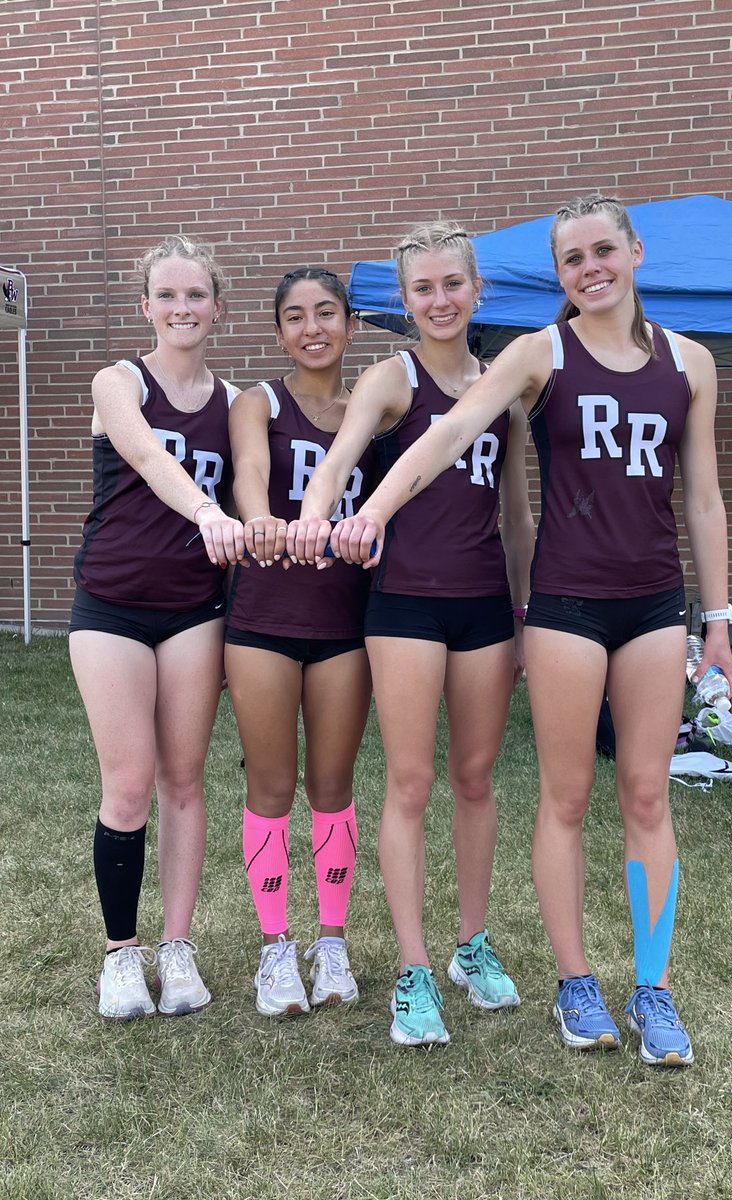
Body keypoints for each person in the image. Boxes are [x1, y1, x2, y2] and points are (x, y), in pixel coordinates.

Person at [325, 195, 732, 1067]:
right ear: (557, 275)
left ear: (634, 252)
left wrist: (722, 622)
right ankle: (573, 981)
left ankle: (653, 990)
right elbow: (445, 437)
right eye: (572, 259)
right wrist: (368, 513)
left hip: (654, 605)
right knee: (564, 796)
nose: (590, 269)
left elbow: (701, 497)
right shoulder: (534, 355)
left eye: (602, 252)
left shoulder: (692, 364)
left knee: (649, 795)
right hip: (563, 607)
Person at [290, 222, 534, 1046]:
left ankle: (471, 945)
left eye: (452, 284)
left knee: (475, 777)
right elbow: (337, 461)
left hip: (485, 610)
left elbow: (516, 515)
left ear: (477, 290)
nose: (439, 300)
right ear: (404, 299)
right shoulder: (390, 378)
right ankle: (413, 968)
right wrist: (318, 518)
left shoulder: (504, 384)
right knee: (412, 781)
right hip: (404, 606)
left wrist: (526, 613)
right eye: (422, 288)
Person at [70, 234, 247, 1019]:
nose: (183, 308)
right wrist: (207, 511)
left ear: (217, 306)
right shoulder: (118, 381)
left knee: (184, 779)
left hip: (194, 609)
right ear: (146, 306)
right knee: (130, 782)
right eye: (167, 295)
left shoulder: (237, 403)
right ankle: (120, 955)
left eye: (196, 295)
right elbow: (144, 455)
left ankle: (178, 950)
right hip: (111, 602)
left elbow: (253, 496)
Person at [224, 268, 376, 1015]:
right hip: (262, 619)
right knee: (272, 784)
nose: (312, 328)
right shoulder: (260, 401)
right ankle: (276, 948)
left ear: (350, 321)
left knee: (333, 785)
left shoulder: (373, 411)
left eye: (325, 313)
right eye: (295, 316)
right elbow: (251, 471)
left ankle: (334, 942)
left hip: (347, 624)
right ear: (279, 330)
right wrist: (260, 521)